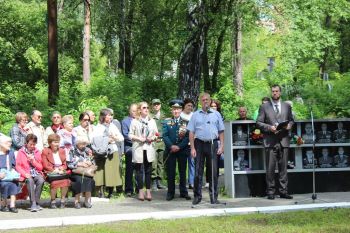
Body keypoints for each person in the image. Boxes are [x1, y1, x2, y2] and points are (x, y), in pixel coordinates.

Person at [256, 84, 294, 200]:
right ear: (271, 93)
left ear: (280, 92)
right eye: (273, 91)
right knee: (270, 167)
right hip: (270, 140)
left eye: (277, 91)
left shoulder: (287, 106)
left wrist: (289, 126)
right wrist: (269, 128)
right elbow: (258, 123)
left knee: (283, 168)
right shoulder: (264, 107)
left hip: (284, 140)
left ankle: (283, 191)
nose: (275, 93)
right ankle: (271, 192)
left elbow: (292, 120)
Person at [187, 92, 225, 205]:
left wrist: (222, 146)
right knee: (198, 171)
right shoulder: (195, 115)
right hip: (199, 144)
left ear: (210, 101)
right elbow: (191, 132)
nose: (205, 102)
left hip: (212, 144)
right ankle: (197, 196)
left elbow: (221, 131)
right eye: (203, 100)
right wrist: (192, 148)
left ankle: (214, 197)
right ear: (200, 102)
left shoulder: (216, 114)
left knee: (213, 172)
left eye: (207, 100)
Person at [129, 102, 158, 201]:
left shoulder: (152, 121)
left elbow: (156, 134)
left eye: (147, 107)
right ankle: (140, 191)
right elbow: (130, 135)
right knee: (139, 171)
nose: (146, 109)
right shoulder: (135, 121)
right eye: (144, 107)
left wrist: (152, 138)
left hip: (149, 148)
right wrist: (138, 138)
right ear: (139, 110)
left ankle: (148, 191)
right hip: (138, 148)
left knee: (148, 170)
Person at [163, 100, 191, 201]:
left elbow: (188, 137)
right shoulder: (166, 122)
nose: (176, 111)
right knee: (171, 172)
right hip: (170, 151)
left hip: (182, 150)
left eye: (178, 109)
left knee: (182, 172)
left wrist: (179, 147)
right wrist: (171, 146)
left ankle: (183, 192)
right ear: (172, 110)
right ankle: (170, 192)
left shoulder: (186, 122)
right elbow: (165, 136)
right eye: (174, 109)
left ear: (181, 110)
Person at [93, 108, 124, 198]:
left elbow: (121, 138)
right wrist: (106, 140)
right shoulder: (98, 127)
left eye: (111, 115)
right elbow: (95, 139)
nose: (110, 117)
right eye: (108, 115)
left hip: (112, 151)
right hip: (101, 152)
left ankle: (110, 192)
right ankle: (100, 192)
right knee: (101, 172)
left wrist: (114, 137)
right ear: (103, 116)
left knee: (111, 172)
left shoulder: (112, 126)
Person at [16, 134, 45, 212]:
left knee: (41, 180)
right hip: (26, 173)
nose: (32, 146)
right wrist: (25, 174)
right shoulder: (21, 151)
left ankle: (37, 202)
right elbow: (18, 166)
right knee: (30, 180)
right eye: (30, 144)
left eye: (34, 144)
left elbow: (40, 167)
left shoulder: (37, 152)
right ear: (26, 143)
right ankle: (33, 203)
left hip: (36, 173)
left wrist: (33, 161)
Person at [41, 134, 71, 209]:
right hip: (51, 173)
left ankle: (63, 200)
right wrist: (55, 170)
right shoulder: (45, 151)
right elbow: (45, 165)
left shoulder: (62, 150)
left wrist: (61, 168)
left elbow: (65, 164)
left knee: (66, 181)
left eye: (58, 142)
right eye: (54, 142)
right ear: (50, 143)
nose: (56, 144)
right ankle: (53, 200)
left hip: (61, 172)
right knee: (54, 183)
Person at [68, 136, 95, 208]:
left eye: (85, 144)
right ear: (77, 143)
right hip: (76, 171)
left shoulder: (88, 150)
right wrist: (79, 164)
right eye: (82, 144)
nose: (84, 145)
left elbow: (93, 160)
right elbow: (69, 164)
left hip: (86, 171)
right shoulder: (72, 150)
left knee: (89, 180)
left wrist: (90, 162)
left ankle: (87, 201)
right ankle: (77, 201)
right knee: (79, 181)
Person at [121, 103, 138, 197]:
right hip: (130, 147)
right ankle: (129, 189)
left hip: (140, 147)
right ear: (129, 111)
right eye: (133, 111)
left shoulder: (140, 120)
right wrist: (137, 139)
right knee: (129, 169)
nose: (135, 113)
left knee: (140, 169)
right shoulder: (125, 121)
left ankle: (139, 188)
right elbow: (125, 135)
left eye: (136, 111)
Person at [0, 135, 19, 213]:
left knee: (14, 184)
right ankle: (3, 205)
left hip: (9, 175)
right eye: (8, 142)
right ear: (1, 144)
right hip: (1, 176)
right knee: (4, 184)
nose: (10, 144)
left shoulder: (10, 153)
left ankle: (12, 205)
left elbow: (13, 165)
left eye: (10, 142)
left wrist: (13, 172)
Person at [150, 98, 166, 191]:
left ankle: (160, 181)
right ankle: (153, 182)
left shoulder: (165, 117)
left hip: (162, 142)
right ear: (152, 106)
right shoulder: (150, 117)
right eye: (154, 104)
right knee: (153, 163)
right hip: (153, 142)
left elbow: (169, 128)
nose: (156, 106)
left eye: (158, 104)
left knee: (161, 163)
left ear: (160, 105)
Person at [180, 98, 195, 189]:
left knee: (192, 162)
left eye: (191, 106)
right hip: (182, 143)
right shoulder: (180, 115)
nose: (190, 107)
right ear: (184, 106)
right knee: (182, 164)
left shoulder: (194, 116)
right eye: (188, 105)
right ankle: (182, 183)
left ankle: (191, 182)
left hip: (192, 143)